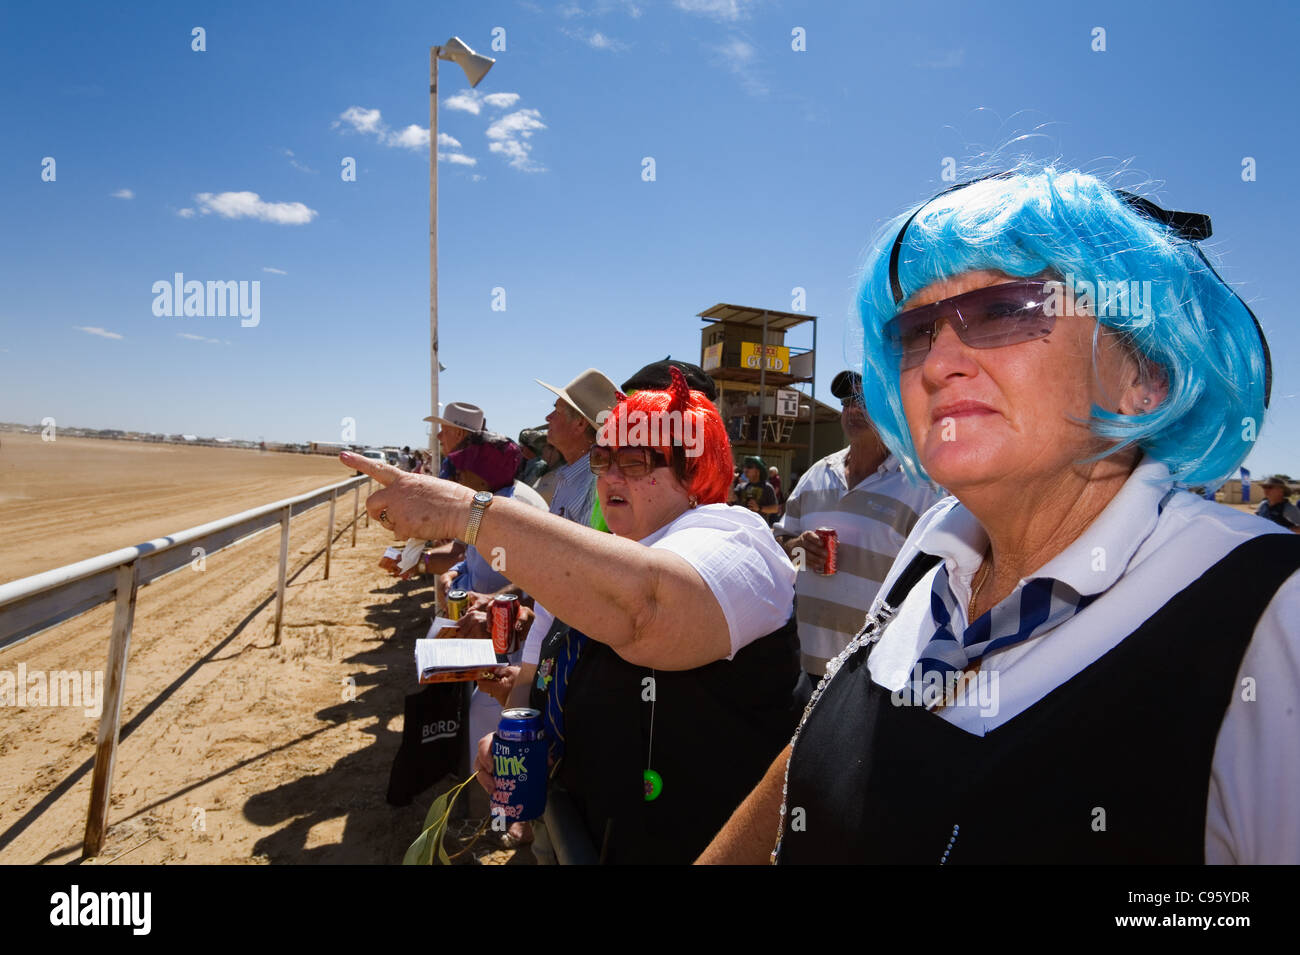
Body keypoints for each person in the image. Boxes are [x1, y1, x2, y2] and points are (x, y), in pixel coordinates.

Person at [701, 165, 1298, 865]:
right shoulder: (932, 549)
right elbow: (808, 773)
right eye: (916, 331)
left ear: (1146, 375)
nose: (938, 361)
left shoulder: (1267, 611)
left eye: (1004, 310)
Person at [342, 367, 800, 864]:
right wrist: (517, 726)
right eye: (604, 459)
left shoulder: (738, 536)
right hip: (580, 831)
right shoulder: (610, 550)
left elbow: (645, 609)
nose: (612, 477)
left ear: (695, 473)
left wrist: (463, 512)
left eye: (636, 461)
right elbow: (551, 655)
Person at [774, 369, 942, 681]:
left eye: (865, 402)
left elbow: (936, 580)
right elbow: (781, 551)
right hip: (807, 665)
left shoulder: (920, 487)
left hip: (873, 674)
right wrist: (798, 550)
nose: (853, 410)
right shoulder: (816, 476)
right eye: (848, 403)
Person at [537, 369, 620, 525]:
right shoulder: (573, 476)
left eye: (557, 410)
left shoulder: (594, 485)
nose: (548, 417)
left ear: (580, 424)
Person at [423, 402, 486, 480]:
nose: (438, 436)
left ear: (459, 434)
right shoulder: (490, 463)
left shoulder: (452, 464)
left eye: (444, 430)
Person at [732, 456, 779, 524]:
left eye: (749, 467)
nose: (745, 469)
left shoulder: (767, 487)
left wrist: (759, 508)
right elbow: (730, 498)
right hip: (742, 526)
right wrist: (731, 480)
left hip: (759, 528)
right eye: (744, 466)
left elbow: (775, 509)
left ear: (758, 471)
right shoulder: (741, 487)